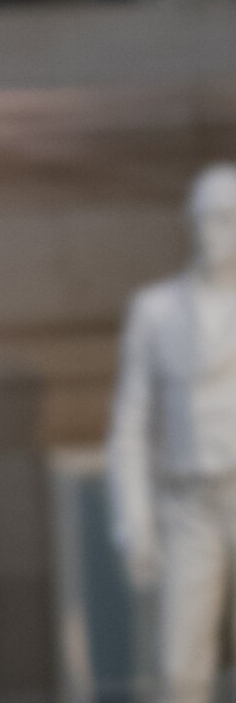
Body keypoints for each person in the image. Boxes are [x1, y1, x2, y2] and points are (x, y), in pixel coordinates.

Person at [109, 164, 236, 703]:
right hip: (188, 501)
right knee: (180, 666)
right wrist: (132, 518)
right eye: (206, 220)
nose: (216, 233)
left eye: (228, 220)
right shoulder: (155, 310)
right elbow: (131, 423)